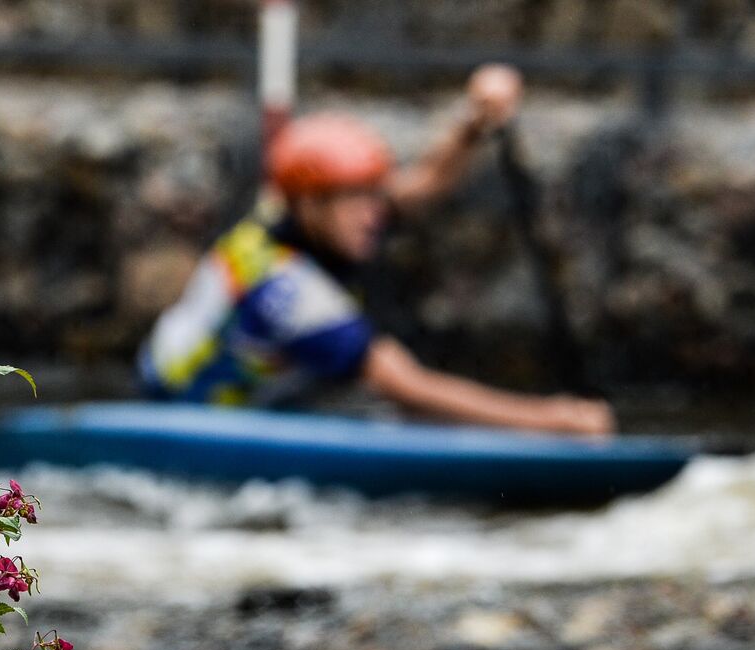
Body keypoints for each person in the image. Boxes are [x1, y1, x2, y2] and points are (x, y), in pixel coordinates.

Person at [137, 65, 615, 436]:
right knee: (384, 397)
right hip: (184, 407)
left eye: (373, 196)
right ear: (311, 205)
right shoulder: (288, 290)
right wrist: (553, 421)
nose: (373, 214)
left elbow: (421, 187)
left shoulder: (300, 213)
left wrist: (473, 123)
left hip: (258, 388)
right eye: (355, 201)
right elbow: (407, 385)